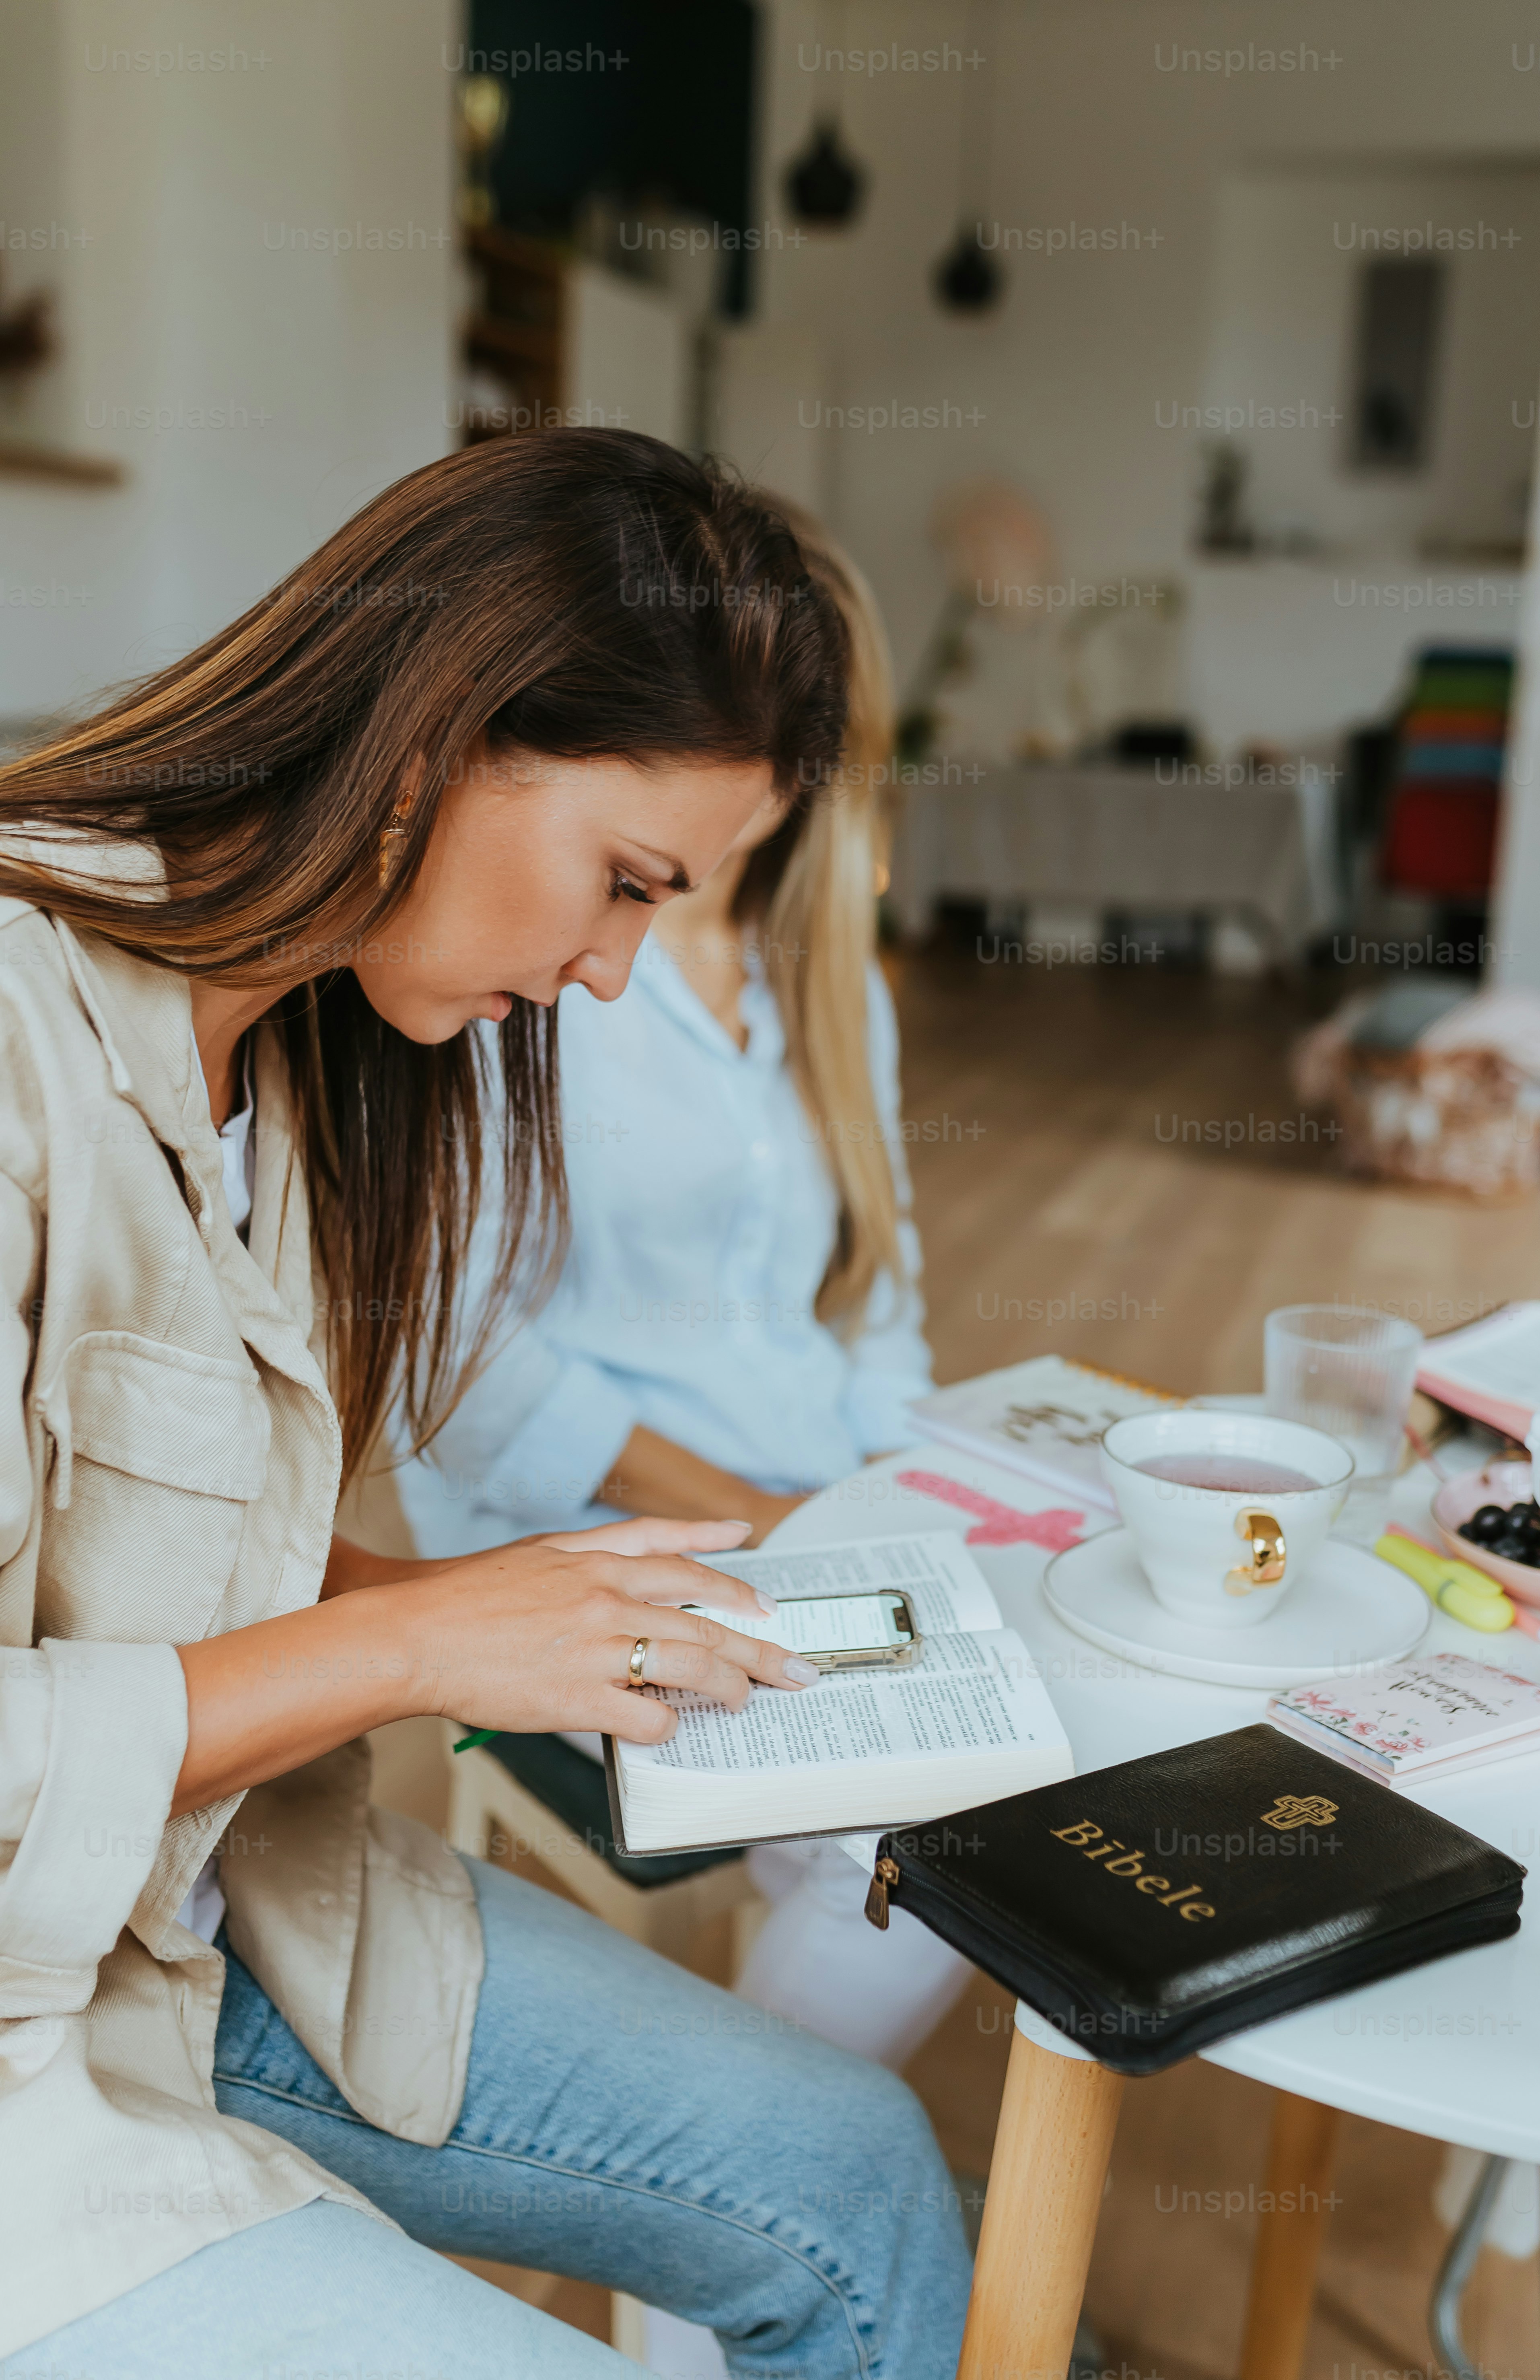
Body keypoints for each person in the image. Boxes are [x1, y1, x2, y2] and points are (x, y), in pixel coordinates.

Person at [0, 431, 973, 2379]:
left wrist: (535, 1604)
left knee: (861, 2178)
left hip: (212, 1919)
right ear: (446, 729)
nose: (613, 971)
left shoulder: (312, 1062)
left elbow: (168, 1553)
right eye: (622, 884)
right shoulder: (27, 1041)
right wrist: (417, 1638)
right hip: (35, 2053)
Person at [397, 519, 972, 2133]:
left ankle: (730, 2266)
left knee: (1004, 1779)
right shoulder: (540, 964)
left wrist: (882, 1497)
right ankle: (730, 2250)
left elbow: (880, 1283)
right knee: (918, 1845)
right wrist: (769, 1516)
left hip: (811, 1520)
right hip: (591, 1529)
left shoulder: (825, 986)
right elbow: (453, 1363)